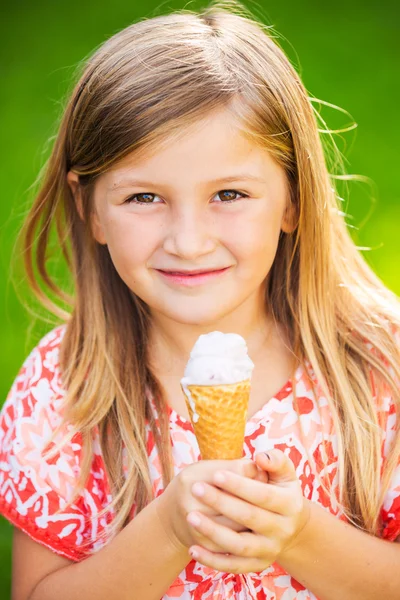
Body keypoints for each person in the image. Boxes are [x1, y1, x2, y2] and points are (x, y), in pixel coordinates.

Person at [1, 1, 399, 598]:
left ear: (292, 199)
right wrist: (165, 529)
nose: (189, 242)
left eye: (230, 193)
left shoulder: (380, 364)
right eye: (143, 198)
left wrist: (298, 536)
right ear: (90, 209)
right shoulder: (63, 390)